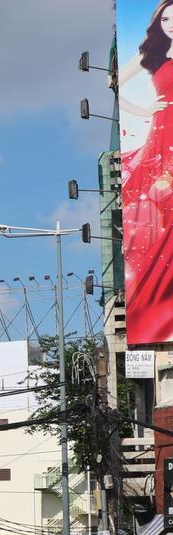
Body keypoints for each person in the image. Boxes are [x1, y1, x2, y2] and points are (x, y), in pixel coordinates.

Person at [119, 0, 173, 344]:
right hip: (164, 139)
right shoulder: (151, 55)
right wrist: (143, 108)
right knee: (162, 221)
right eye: (166, 17)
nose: (171, 23)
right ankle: (157, 307)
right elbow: (116, 86)